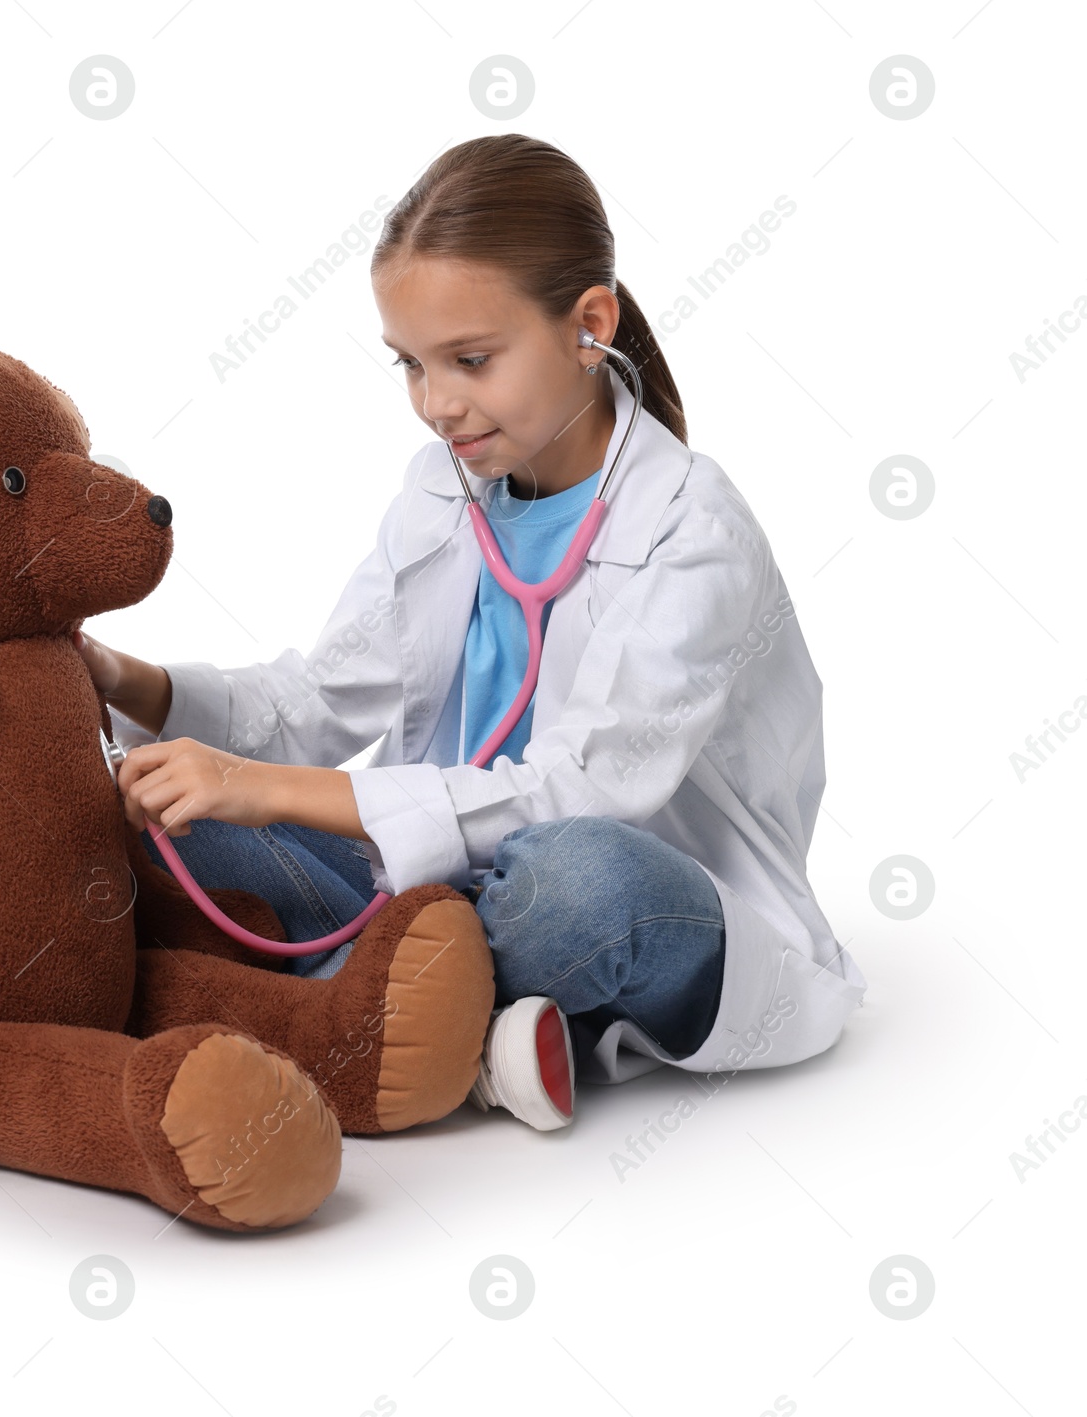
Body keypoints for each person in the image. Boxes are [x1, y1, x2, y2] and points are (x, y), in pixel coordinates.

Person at [75, 133, 866, 1133]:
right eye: (409, 364)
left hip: (619, 892)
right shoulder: (441, 491)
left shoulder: (690, 525)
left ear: (589, 324)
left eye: (470, 360)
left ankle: (347, 1002)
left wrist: (263, 786)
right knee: (157, 806)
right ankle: (453, 1031)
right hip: (434, 894)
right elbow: (324, 702)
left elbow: (584, 791)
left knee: (573, 877)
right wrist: (127, 681)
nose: (435, 404)